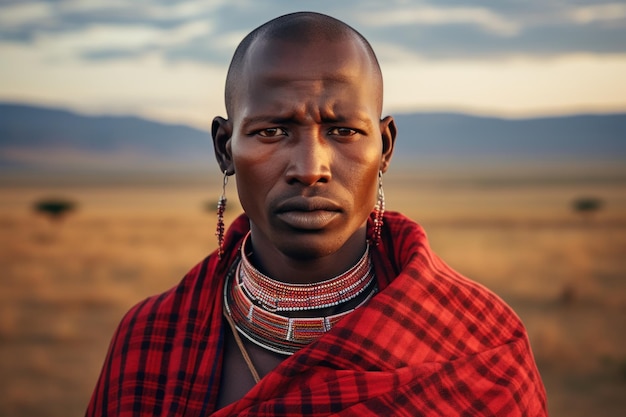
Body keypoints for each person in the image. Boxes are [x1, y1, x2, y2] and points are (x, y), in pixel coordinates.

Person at [86, 11, 547, 416]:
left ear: (384, 147)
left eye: (343, 130)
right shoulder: (150, 340)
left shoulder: (478, 344)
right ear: (225, 148)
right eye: (272, 131)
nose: (311, 169)